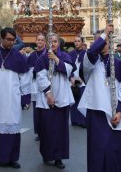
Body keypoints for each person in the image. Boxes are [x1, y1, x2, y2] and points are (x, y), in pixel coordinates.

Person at [78, 24, 121, 172]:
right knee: (98, 150)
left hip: (116, 114)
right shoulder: (90, 63)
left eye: (105, 41)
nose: (102, 44)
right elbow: (91, 52)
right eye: (99, 41)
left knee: (115, 151)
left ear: (111, 44)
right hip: (97, 113)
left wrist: (120, 111)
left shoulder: (120, 64)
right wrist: (104, 35)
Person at [0, 27, 31, 169]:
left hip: (12, 98)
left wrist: (25, 98)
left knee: (11, 125)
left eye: (13, 40)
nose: (11, 42)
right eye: (8, 39)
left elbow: (25, 79)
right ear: (1, 39)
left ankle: (11, 158)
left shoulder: (18, 56)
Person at [34, 33, 75, 169]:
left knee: (60, 130)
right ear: (46, 43)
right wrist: (48, 93)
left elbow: (69, 70)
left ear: (59, 43)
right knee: (47, 129)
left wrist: (57, 60)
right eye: (50, 41)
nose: (53, 44)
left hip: (62, 96)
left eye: (55, 41)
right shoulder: (41, 59)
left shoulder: (65, 56)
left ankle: (58, 158)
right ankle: (47, 154)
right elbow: (40, 77)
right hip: (47, 97)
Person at [27, 33, 47, 141]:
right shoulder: (32, 55)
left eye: (42, 40)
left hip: (45, 85)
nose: (39, 42)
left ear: (45, 42)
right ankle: (38, 132)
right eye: (38, 40)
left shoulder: (47, 54)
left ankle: (46, 131)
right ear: (36, 41)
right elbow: (28, 69)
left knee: (45, 110)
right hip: (34, 85)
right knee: (37, 111)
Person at [68, 35, 86, 128]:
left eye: (79, 41)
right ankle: (75, 120)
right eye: (75, 41)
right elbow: (67, 67)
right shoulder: (70, 54)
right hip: (72, 79)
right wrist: (71, 77)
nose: (77, 43)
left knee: (82, 100)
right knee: (74, 100)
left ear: (82, 42)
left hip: (82, 80)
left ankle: (82, 121)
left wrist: (83, 78)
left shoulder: (86, 54)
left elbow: (87, 68)